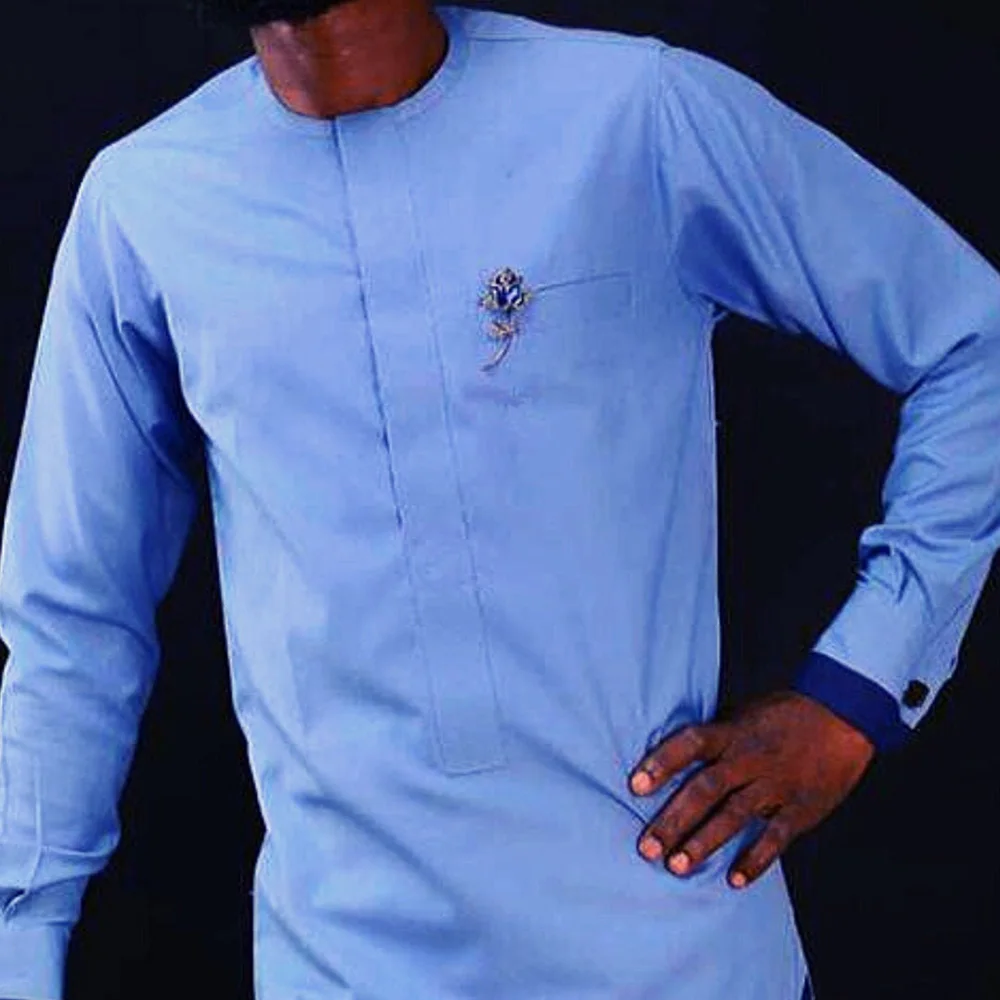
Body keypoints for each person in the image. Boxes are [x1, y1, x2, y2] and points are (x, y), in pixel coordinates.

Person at [1, 1, 997, 997]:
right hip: (347, 969)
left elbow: (974, 342)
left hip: (677, 960)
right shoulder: (146, 208)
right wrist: (24, 941)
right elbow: (73, 617)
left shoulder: (634, 118)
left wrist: (856, 691)